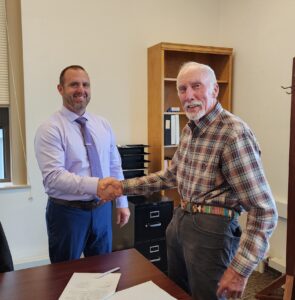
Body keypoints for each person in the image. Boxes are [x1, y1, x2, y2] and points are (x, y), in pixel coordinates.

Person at [99, 62, 278, 300]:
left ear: (214, 90)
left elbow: (264, 210)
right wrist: (123, 186)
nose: (189, 95)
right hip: (180, 222)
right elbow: (172, 175)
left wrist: (240, 270)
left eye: (196, 86)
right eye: (183, 89)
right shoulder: (190, 129)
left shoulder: (233, 133)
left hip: (212, 232)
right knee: (178, 293)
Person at [34, 65, 130, 263]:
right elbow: (53, 178)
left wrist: (121, 202)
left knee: (104, 270)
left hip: (102, 210)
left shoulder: (102, 124)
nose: (81, 90)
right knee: (64, 276)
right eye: (74, 84)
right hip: (67, 213)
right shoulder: (50, 129)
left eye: (85, 84)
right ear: (60, 89)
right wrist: (98, 185)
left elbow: (114, 165)